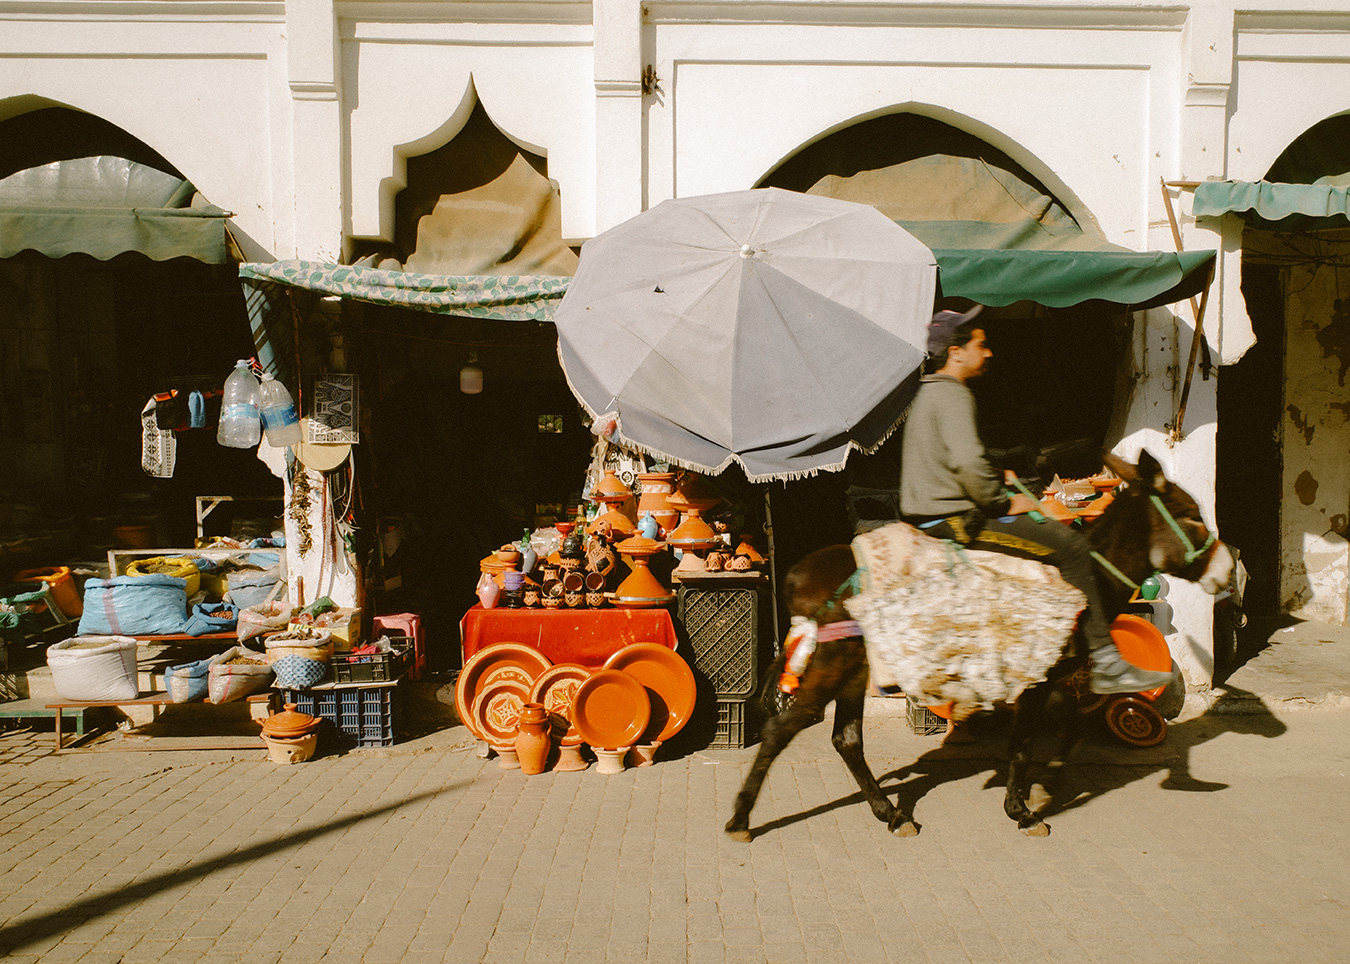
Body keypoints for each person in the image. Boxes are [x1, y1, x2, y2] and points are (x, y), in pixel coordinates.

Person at [899, 305, 1176, 695]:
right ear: (956, 352)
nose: (989, 352)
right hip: (955, 521)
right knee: (1073, 547)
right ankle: (1109, 664)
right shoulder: (954, 395)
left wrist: (997, 475)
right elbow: (964, 463)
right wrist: (1003, 501)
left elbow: (947, 461)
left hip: (933, 513)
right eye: (981, 344)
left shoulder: (927, 394)